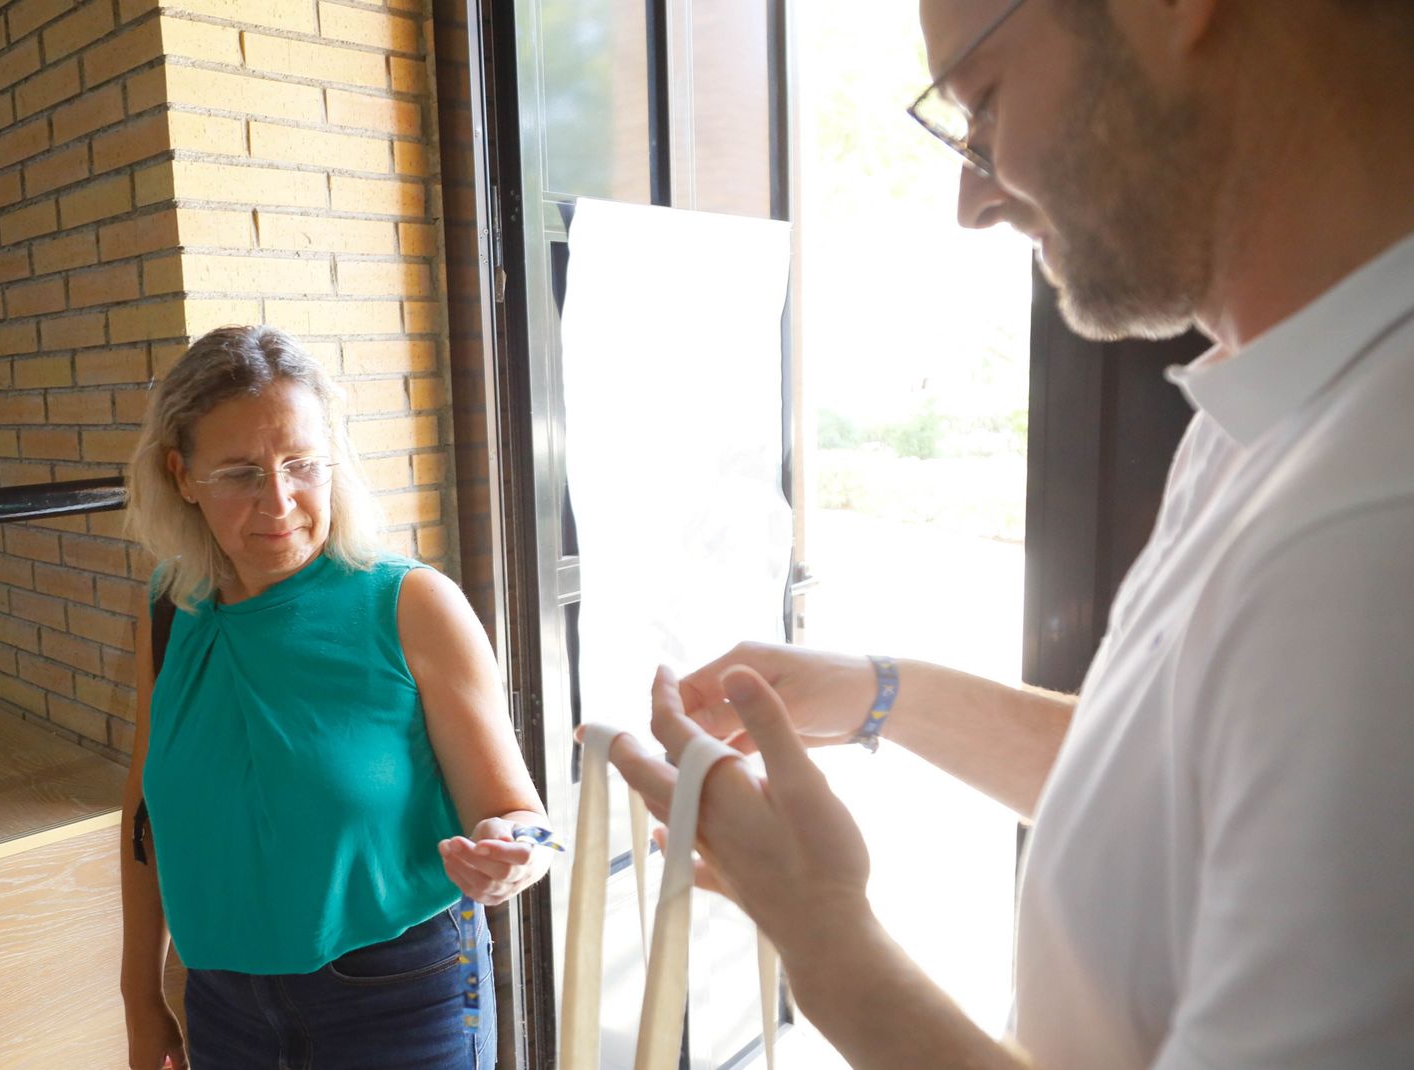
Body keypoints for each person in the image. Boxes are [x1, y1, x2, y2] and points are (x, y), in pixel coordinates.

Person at [606, 0, 1414, 1067]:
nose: (971, 199)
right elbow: (1187, 777)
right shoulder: (1261, 416)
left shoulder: (1371, 527)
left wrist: (822, 934)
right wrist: (877, 690)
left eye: (982, 104)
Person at [118, 325, 552, 1070]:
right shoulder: (171, 608)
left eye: (301, 464)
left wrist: (517, 854)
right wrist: (138, 998)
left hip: (402, 997)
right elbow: (144, 818)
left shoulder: (412, 604)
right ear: (181, 474)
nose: (279, 502)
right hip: (222, 1004)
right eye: (240, 473)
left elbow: (523, 817)